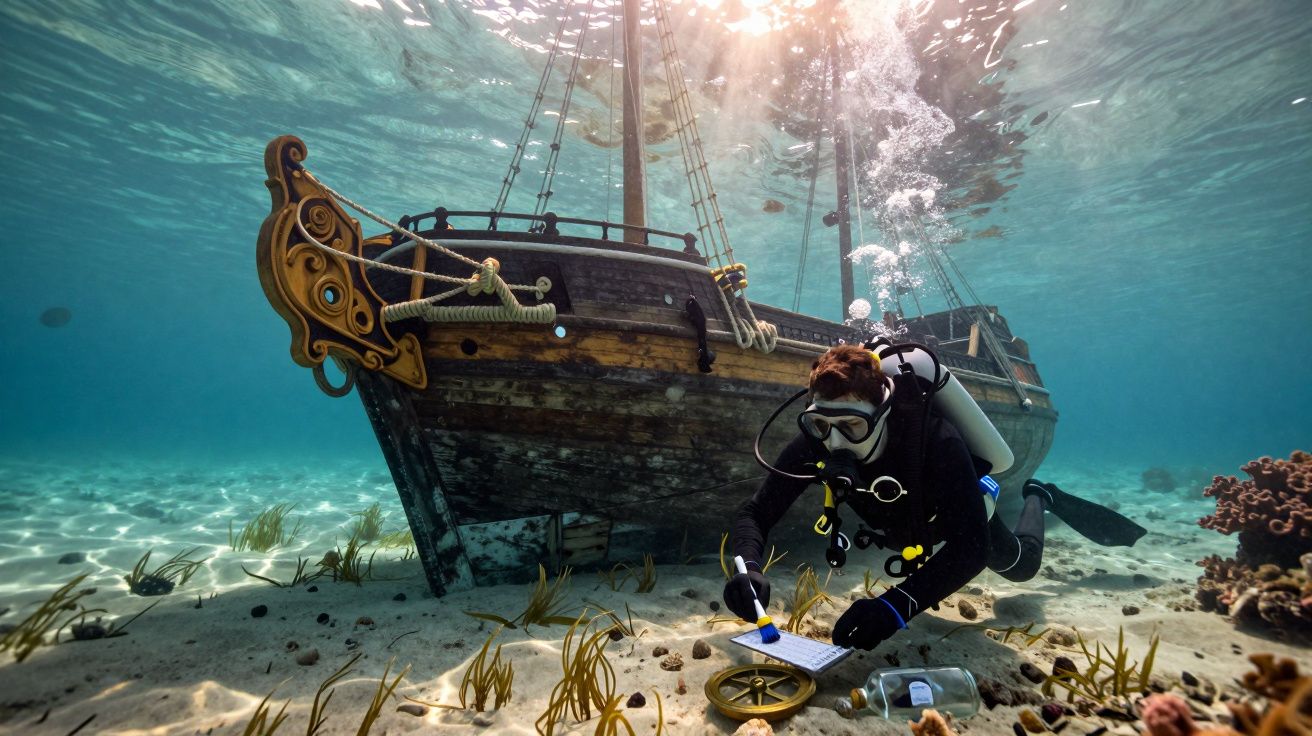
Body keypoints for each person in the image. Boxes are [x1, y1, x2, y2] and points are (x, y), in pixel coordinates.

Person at [723, 343, 1145, 651]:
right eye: (820, 426)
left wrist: (894, 607)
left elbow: (971, 549)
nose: (833, 443)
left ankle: (1039, 495)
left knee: (1020, 567)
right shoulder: (818, 438)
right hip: (897, 524)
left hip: (951, 514)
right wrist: (749, 568)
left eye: (851, 427)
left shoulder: (935, 440)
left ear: (883, 414)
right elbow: (756, 512)